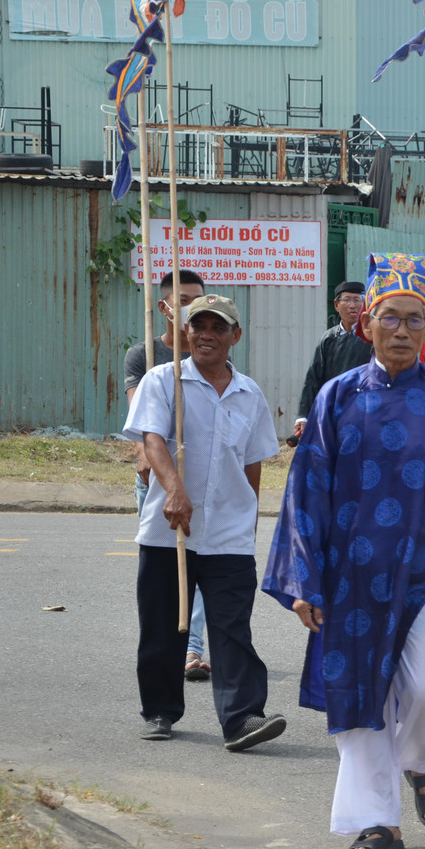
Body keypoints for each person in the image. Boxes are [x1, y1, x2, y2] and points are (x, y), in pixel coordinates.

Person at [262, 257, 425, 849]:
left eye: (414, 321)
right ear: (367, 325)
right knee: (359, 696)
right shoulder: (336, 397)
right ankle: (377, 820)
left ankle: (422, 759)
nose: (402, 331)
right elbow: (307, 491)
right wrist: (304, 581)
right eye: (390, 319)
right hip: (350, 577)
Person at [123, 294, 286, 750]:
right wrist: (174, 489)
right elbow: (152, 440)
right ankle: (159, 710)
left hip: (229, 534)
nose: (206, 334)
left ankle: (242, 719)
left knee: (233, 629)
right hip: (168, 530)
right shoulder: (164, 380)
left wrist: (249, 525)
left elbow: (253, 465)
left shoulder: (249, 394)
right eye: (198, 326)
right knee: (162, 625)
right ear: (185, 332)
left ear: (235, 336)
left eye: (218, 327)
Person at [125, 269, 210, 681]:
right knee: (165, 569)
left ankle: (192, 649)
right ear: (163, 307)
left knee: (199, 564)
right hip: (158, 479)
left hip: (200, 479)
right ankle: (165, 659)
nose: (190, 307)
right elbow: (143, 426)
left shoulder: (212, 352)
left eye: (197, 299)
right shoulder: (143, 356)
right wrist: (150, 462)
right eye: (182, 300)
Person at [293, 280, 372, 438]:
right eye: (347, 300)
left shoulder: (373, 338)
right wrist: (303, 415)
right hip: (332, 411)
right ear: (336, 305)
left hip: (365, 412)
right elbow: (313, 379)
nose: (353, 305)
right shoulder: (328, 338)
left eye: (358, 300)